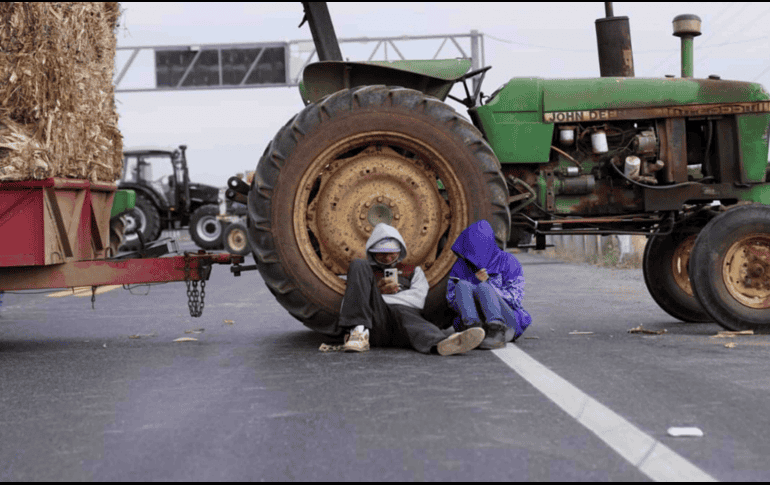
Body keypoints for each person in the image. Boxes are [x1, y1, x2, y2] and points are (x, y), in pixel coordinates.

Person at [338, 222, 485, 355]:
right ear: (373, 253)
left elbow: (418, 299)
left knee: (410, 318)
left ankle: (442, 344)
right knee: (358, 263)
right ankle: (357, 332)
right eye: (382, 254)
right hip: (375, 322)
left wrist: (392, 293)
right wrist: (376, 291)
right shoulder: (364, 271)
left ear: (400, 251)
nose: (388, 259)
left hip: (404, 321)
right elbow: (349, 300)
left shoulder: (413, 271)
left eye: (392, 253)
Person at [446, 220, 532, 349]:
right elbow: (451, 300)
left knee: (483, 287)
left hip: (506, 323)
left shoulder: (508, 262)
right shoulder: (461, 264)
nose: (472, 258)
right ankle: (472, 329)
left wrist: (487, 284)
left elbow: (516, 299)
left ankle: (496, 331)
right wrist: (471, 285)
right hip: (476, 320)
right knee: (462, 285)